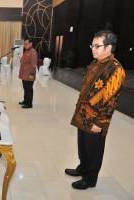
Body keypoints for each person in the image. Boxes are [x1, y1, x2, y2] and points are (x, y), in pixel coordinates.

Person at [65, 30, 126, 190]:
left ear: (109, 47)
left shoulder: (115, 69)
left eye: (97, 46)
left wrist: (100, 122)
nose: (93, 48)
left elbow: (111, 101)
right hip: (83, 114)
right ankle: (82, 168)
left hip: (97, 119)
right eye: (92, 45)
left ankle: (90, 179)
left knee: (94, 150)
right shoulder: (95, 63)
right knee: (83, 146)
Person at [18, 38, 37, 109]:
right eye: (24, 44)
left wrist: (32, 74)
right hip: (24, 74)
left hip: (29, 75)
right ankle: (25, 100)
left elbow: (34, 64)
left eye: (26, 43)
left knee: (29, 89)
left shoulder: (33, 52)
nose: (25, 45)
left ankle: (29, 104)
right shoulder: (26, 51)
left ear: (31, 43)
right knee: (25, 88)